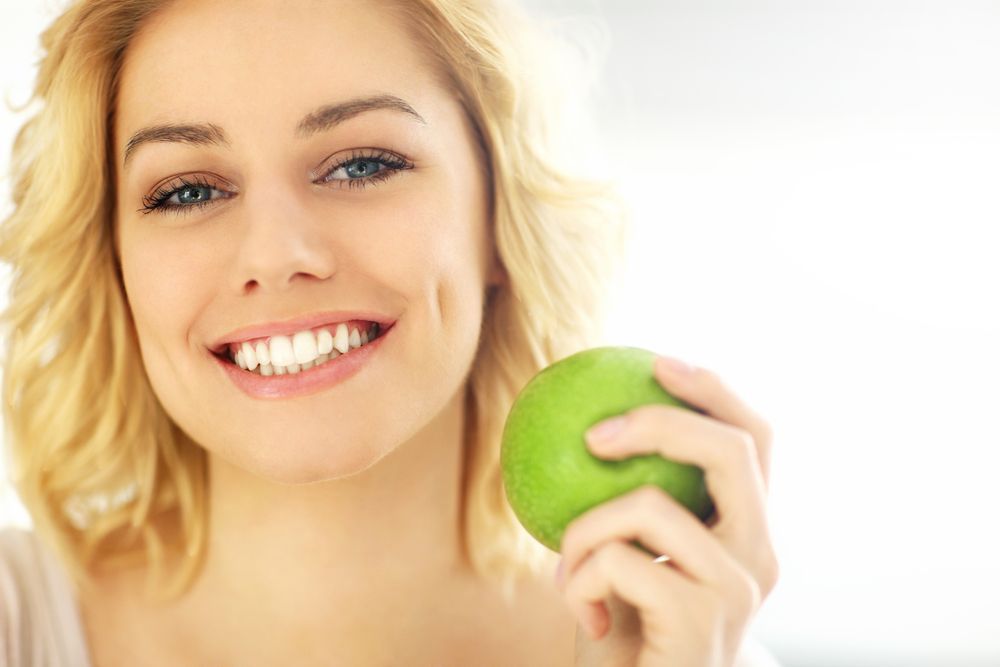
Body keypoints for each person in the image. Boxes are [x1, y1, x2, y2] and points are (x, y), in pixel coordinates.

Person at [0, 0, 781, 664]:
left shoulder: (676, 642)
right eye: (189, 189)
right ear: (116, 263)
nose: (276, 255)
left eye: (361, 165)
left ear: (498, 217)